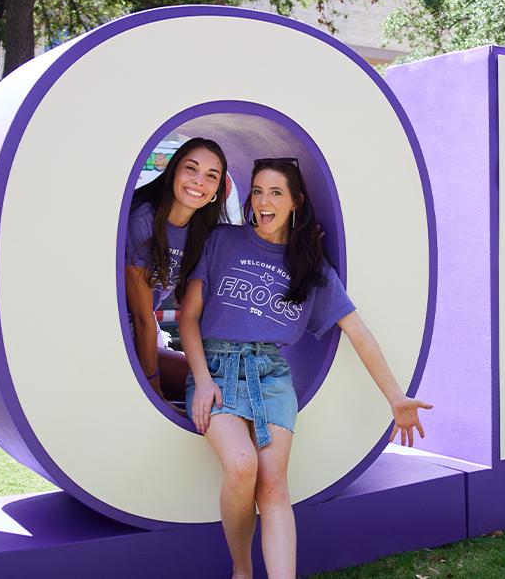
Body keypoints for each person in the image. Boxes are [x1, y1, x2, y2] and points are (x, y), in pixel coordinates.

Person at [179, 157, 430, 579]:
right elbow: (188, 318)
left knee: (274, 485)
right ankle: (241, 570)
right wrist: (202, 381)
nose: (262, 201)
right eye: (257, 191)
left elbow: (358, 331)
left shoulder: (310, 267)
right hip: (218, 369)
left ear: (296, 202)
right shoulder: (223, 240)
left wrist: (396, 396)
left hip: (272, 377)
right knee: (242, 466)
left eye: (275, 192)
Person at [125, 138, 230, 404]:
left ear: (218, 189)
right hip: (118, 334)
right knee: (185, 389)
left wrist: (299, 242)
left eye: (211, 176)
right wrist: (152, 388)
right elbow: (141, 316)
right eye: (191, 168)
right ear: (173, 170)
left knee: (214, 387)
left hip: (145, 335)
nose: (198, 181)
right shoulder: (144, 218)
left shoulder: (201, 231)